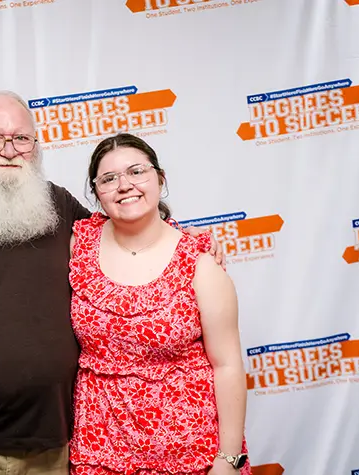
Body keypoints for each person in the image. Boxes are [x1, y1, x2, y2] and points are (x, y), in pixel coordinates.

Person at [0, 91, 223, 475]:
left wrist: (188, 244)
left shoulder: (58, 206)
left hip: (54, 449)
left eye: (21, 138)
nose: (9, 150)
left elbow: (128, 229)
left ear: (35, 147)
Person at [68, 133, 250, 475]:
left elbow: (227, 365)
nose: (125, 185)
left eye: (137, 172)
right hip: (99, 449)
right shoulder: (79, 244)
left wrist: (228, 461)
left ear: (160, 179)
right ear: (97, 194)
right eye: (109, 179)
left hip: (191, 453)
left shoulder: (199, 263)